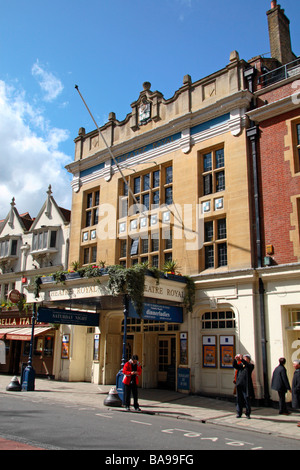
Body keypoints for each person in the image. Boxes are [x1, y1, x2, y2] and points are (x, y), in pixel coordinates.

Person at [233, 353, 255, 419]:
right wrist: (235, 360)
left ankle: (248, 413)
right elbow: (235, 366)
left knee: (246, 399)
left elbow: (247, 364)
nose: (244, 359)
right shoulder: (241, 365)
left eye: (246, 358)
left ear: (248, 359)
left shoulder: (250, 366)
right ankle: (239, 413)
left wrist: (242, 359)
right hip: (239, 384)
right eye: (244, 358)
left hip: (246, 385)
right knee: (239, 399)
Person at [291, 359, 300, 427]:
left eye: (295, 364)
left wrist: (296, 389)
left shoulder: (298, 373)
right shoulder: (297, 372)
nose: (293, 365)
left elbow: (299, 383)